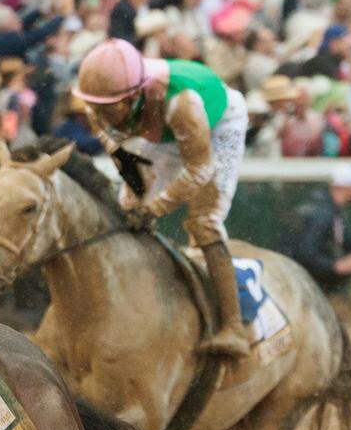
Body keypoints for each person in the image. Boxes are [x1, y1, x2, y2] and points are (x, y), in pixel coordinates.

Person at [75, 38, 250, 358]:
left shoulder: (181, 103)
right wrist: (135, 193)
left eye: (110, 109)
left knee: (203, 221)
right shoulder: (100, 101)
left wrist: (155, 208)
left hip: (217, 124)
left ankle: (234, 328)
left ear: (134, 95)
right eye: (96, 108)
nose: (101, 116)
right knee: (126, 207)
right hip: (160, 129)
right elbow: (120, 152)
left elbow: (199, 169)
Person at [282, 164, 351, 294]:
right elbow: (306, 253)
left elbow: (350, 241)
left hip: (296, 272)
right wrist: (335, 266)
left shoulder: (329, 206)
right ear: (347, 187)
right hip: (291, 276)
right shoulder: (322, 211)